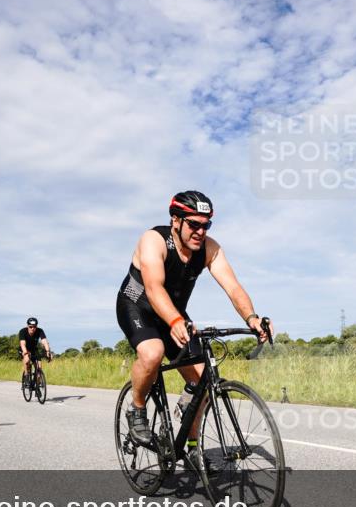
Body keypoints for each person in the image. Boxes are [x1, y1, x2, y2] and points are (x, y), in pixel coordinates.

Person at [116, 190, 272, 469]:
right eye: (194, 224)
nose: (201, 231)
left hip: (173, 312)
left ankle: (190, 446)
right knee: (153, 353)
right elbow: (153, 288)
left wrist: (252, 317)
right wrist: (175, 322)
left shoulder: (210, 248)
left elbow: (233, 287)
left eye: (206, 225)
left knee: (202, 381)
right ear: (175, 220)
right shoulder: (154, 240)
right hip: (137, 305)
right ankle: (137, 408)